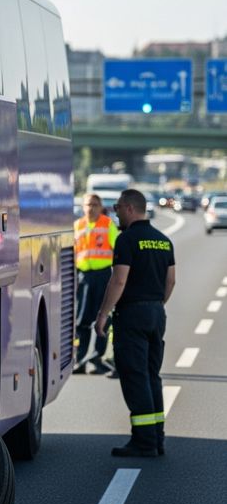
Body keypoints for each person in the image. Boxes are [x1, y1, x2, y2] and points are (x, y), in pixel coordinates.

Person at [93, 188, 176, 458]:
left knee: (135, 376)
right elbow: (171, 281)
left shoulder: (127, 240)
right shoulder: (163, 241)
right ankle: (157, 438)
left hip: (132, 315)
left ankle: (143, 441)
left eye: (117, 208)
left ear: (129, 208)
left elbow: (119, 280)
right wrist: (156, 305)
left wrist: (103, 314)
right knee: (152, 375)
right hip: (156, 312)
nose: (115, 213)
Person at [73, 193, 119, 374]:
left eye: (94, 205)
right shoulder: (78, 225)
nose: (90, 208)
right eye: (87, 205)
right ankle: (81, 360)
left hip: (103, 277)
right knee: (82, 321)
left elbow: (118, 249)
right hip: (83, 277)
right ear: (82, 207)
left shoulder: (107, 225)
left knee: (102, 318)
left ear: (100, 207)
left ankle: (97, 357)